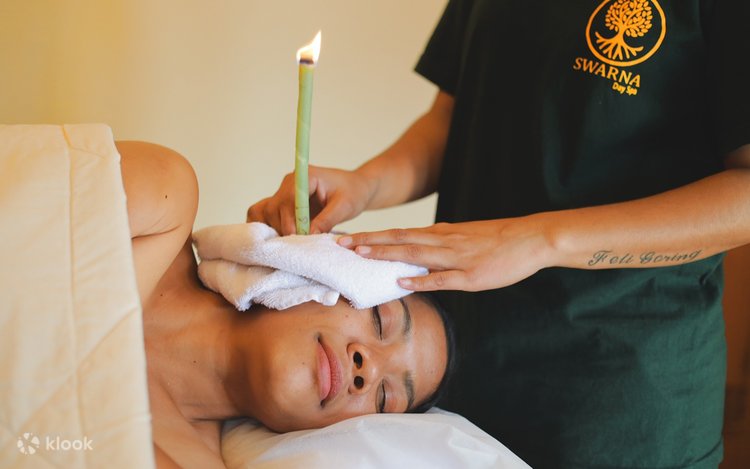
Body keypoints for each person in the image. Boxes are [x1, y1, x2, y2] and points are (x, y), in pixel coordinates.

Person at [247, 1, 750, 467]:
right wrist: (366, 184)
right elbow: (452, 118)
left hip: (616, 396)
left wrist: (539, 239)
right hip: (460, 372)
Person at [116, 141, 453, 468]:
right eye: (380, 320)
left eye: (383, 398)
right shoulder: (164, 197)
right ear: (317, 265)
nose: (369, 370)